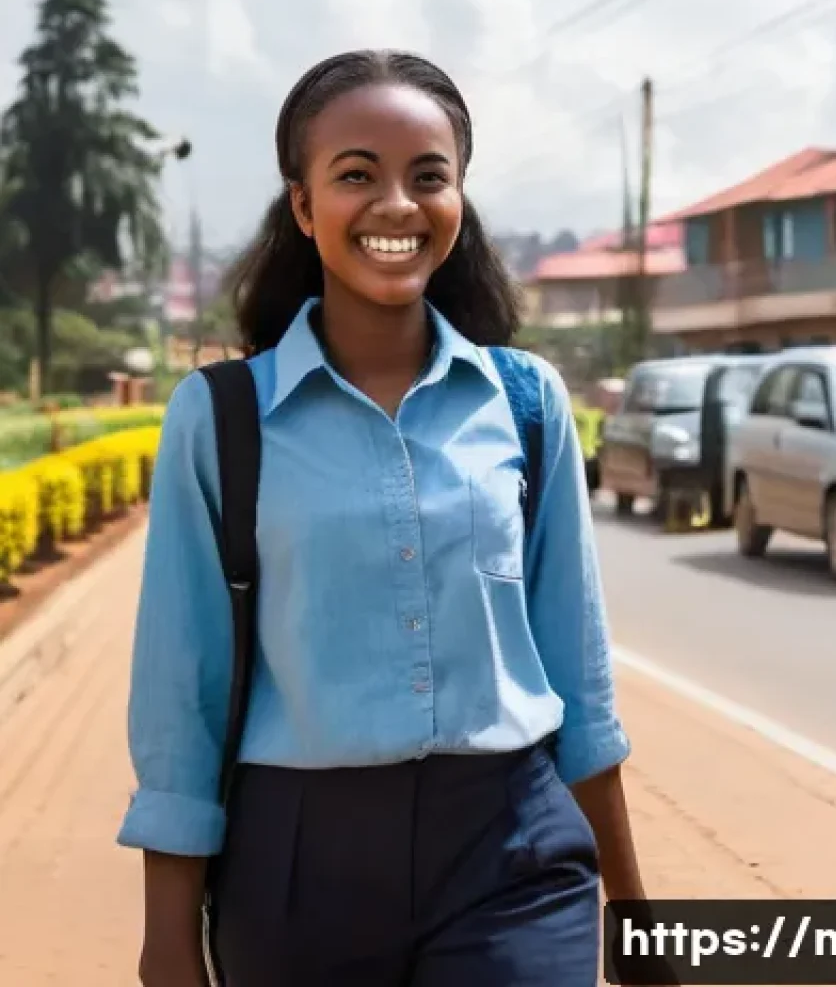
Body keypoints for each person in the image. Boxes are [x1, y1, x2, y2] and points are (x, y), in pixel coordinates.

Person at [117, 49, 648, 986]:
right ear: (303, 204)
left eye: (428, 176)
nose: (397, 205)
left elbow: (578, 674)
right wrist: (167, 943)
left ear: (459, 200)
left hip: (510, 848)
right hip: (294, 864)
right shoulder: (221, 417)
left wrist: (638, 925)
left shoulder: (525, 402)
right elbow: (181, 692)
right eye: (356, 174)